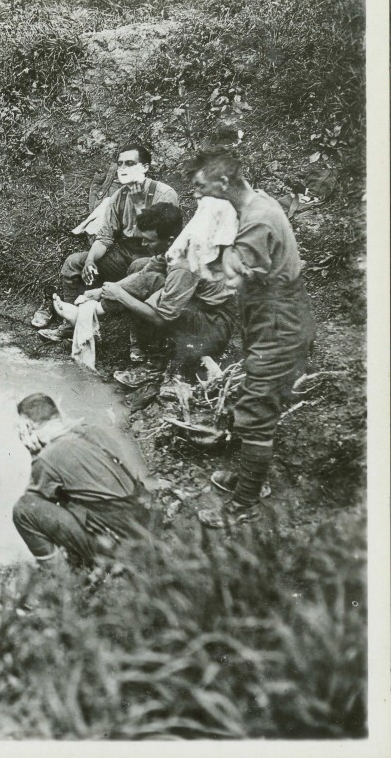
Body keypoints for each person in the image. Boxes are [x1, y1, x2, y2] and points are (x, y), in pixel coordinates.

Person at [186, 151, 316, 528]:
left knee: (257, 409)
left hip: (279, 321)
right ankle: (249, 478)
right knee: (256, 396)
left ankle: (244, 504)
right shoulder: (259, 203)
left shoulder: (257, 220)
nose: (195, 193)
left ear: (222, 182)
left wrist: (199, 264)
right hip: (272, 314)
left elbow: (235, 278)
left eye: (199, 186)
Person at [49, 202, 239, 386]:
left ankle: (153, 366)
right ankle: (90, 313)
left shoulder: (184, 263)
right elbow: (143, 274)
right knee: (143, 269)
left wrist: (121, 295)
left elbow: (161, 318)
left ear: (169, 240)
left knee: (151, 292)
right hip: (198, 308)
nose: (143, 243)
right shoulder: (175, 246)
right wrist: (99, 292)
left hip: (211, 327)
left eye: (149, 240)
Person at [35, 143, 179, 340]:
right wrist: (90, 261)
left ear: (145, 167)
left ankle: (136, 340)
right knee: (73, 262)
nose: (123, 169)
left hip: (151, 255)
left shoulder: (164, 193)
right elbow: (105, 236)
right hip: (124, 252)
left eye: (130, 163)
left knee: (139, 266)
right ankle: (71, 325)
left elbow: (162, 236)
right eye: (120, 164)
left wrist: (138, 200)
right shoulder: (118, 196)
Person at [11, 393, 149, 574]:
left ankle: (60, 580)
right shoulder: (92, 431)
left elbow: (39, 504)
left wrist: (35, 455)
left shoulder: (48, 457)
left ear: (28, 426)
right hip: (145, 527)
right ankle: (81, 558)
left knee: (23, 510)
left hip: (120, 545)